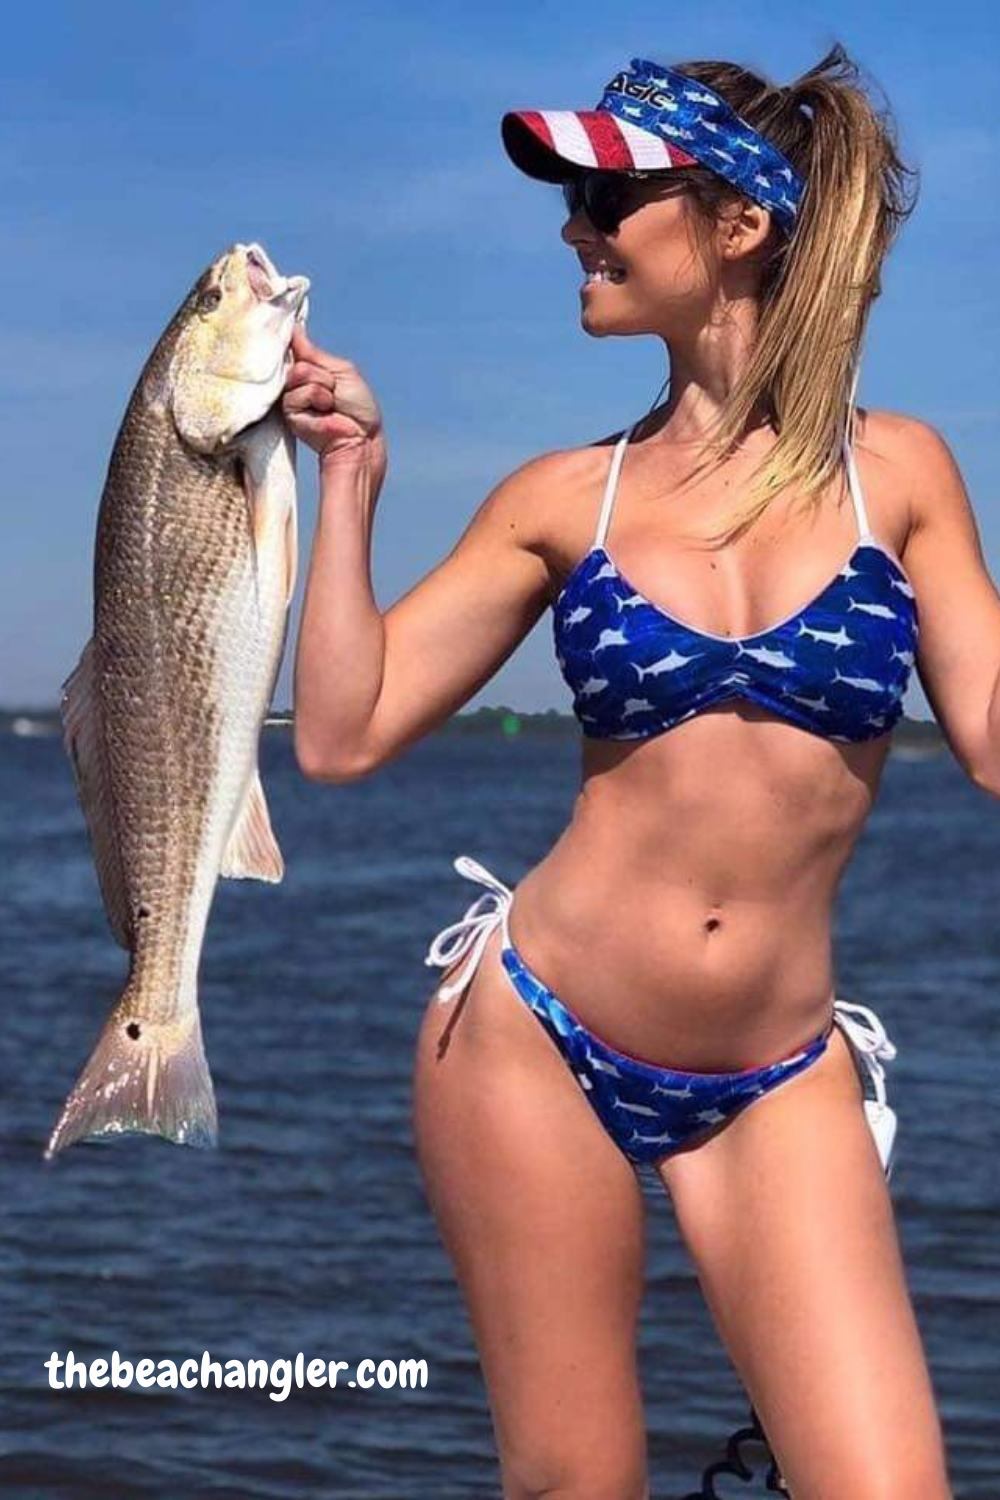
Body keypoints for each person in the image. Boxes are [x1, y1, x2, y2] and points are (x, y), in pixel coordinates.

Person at [285, 41, 987, 1499]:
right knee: (577, 1484)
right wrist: (348, 477)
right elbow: (345, 736)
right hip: (534, 1039)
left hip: (777, 1071)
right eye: (572, 199)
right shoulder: (563, 496)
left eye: (610, 195)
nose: (575, 229)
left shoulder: (901, 474)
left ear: (739, 225)